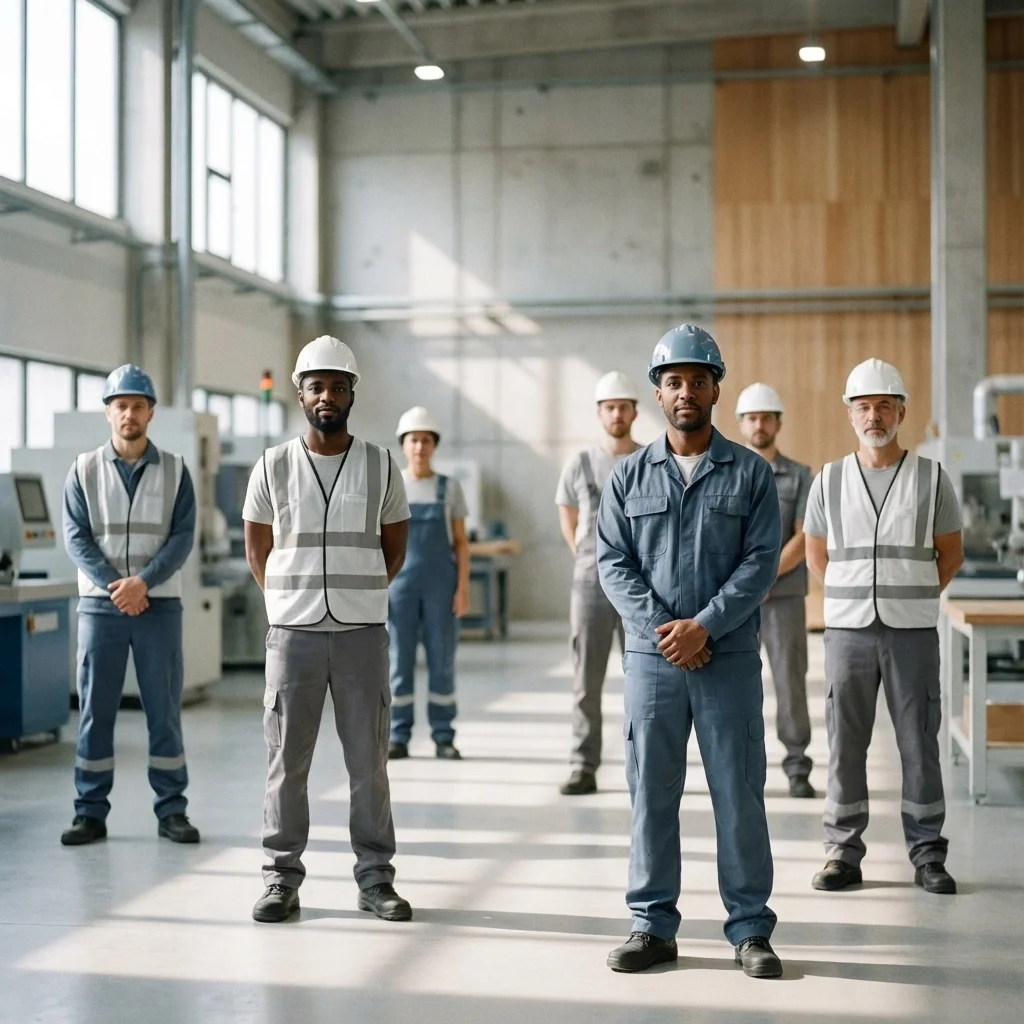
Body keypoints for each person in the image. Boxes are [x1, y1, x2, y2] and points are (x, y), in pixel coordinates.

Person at [597, 325, 784, 979]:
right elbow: (612, 564)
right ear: (657, 392)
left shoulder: (752, 473)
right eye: (673, 381)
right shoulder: (627, 477)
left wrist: (704, 625)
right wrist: (667, 632)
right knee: (652, 791)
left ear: (715, 388)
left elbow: (761, 562)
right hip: (653, 662)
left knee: (739, 791)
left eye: (697, 380)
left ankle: (751, 930)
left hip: (726, 656)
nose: (685, 391)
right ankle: (651, 926)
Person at [242, 335, 413, 924]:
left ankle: (375, 880)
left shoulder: (380, 462)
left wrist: (354, 593)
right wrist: (292, 602)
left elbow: (395, 549)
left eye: (337, 386)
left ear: (351, 393)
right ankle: (280, 879)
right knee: (287, 761)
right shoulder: (272, 464)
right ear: (300, 393)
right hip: (293, 636)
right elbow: (257, 552)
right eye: (316, 386)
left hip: (363, 631)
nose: (327, 396)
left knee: (368, 763)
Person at [804, 358, 964, 895]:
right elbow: (816, 555)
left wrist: (911, 594)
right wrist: (856, 598)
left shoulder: (932, 477)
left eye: (883, 406)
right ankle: (842, 854)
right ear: (850, 415)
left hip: (912, 632)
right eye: (864, 407)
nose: (874, 415)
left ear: (901, 412)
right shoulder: (827, 479)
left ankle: (927, 855)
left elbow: (952, 554)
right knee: (845, 744)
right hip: (847, 634)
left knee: (919, 744)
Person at [60, 364, 199, 847]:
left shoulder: (177, 470)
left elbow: (183, 537)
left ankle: (172, 811)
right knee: (97, 710)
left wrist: (142, 583)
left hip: (158, 606)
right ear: (108, 413)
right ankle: (89, 813)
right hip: (102, 608)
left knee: (164, 710)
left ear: (151, 413)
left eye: (138, 405)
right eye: (121, 405)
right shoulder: (83, 469)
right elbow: (76, 538)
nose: (129, 414)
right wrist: (117, 586)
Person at [554, 372, 642, 795]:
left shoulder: (650, 459)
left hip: (642, 588)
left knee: (643, 677)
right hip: (590, 583)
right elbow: (567, 514)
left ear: (635, 412)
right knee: (586, 679)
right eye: (610, 407)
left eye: (624, 406)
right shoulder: (581, 463)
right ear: (600, 413)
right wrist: (585, 556)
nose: (618, 413)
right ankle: (583, 764)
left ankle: (644, 764)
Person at [735, 382, 816, 798]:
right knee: (735, 684)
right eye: (752, 417)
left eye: (767, 416)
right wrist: (743, 587)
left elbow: (803, 538)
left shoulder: (801, 476)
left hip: (782, 597)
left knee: (789, 681)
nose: (760, 424)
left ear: (778, 423)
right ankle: (738, 768)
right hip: (734, 604)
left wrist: (763, 579)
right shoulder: (726, 472)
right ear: (741, 424)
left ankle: (797, 766)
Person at [387, 406, 470, 761]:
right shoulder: (392, 487)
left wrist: (462, 588)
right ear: (403, 445)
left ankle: (443, 735)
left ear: (434, 445)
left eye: (425, 440)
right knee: (397, 660)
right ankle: (397, 734)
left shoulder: (449, 488)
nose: (419, 446)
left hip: (441, 587)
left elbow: (462, 542)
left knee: (442, 660)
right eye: (413, 440)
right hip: (399, 588)